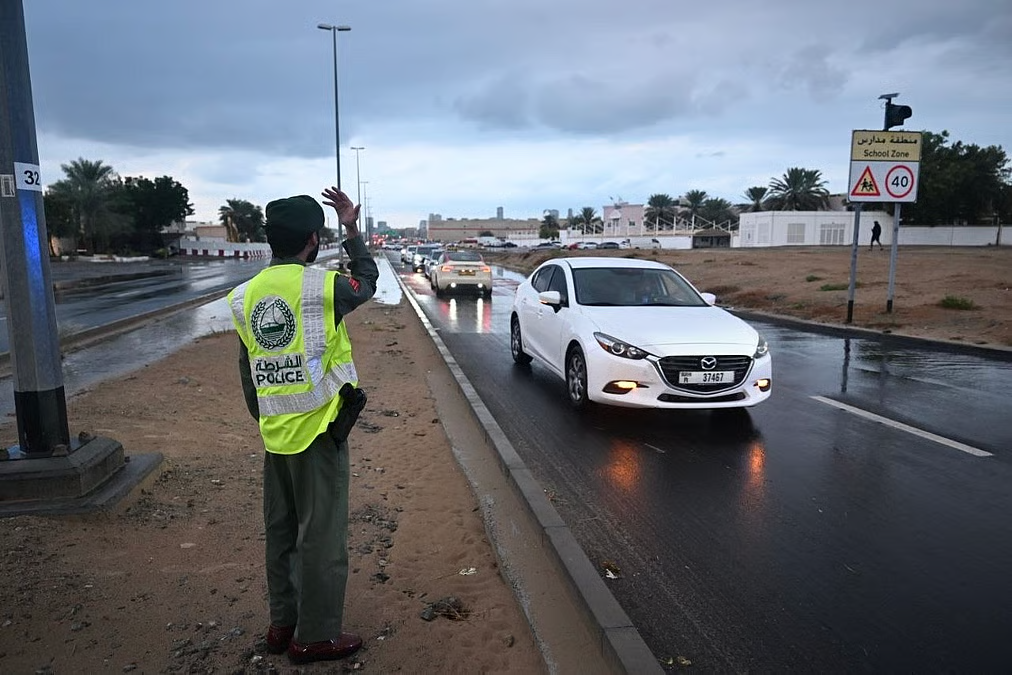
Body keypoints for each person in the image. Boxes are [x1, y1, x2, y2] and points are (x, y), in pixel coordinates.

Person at [227, 187, 378, 665]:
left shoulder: (244, 296)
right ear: (313, 240)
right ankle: (314, 636)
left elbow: (248, 372)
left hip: (275, 436)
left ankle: (281, 624)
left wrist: (270, 418)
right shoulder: (322, 287)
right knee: (321, 537)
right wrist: (352, 227)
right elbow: (368, 281)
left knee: (281, 533)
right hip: (318, 434)